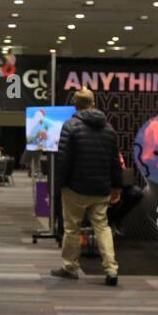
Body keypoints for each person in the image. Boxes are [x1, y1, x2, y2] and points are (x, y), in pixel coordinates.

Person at [51, 87, 122, 286]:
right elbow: (114, 161)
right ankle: (111, 270)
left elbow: (63, 159)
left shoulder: (70, 126)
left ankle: (70, 267)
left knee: (72, 228)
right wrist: (117, 186)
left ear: (75, 105)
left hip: (75, 189)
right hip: (101, 189)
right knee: (102, 227)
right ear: (93, 103)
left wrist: (60, 185)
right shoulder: (108, 128)